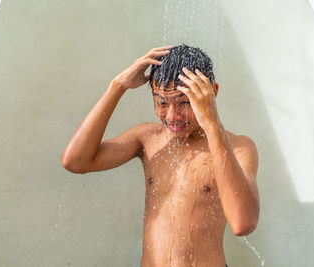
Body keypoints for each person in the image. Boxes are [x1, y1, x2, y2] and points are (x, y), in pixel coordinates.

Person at [61, 44, 260, 267]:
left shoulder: (238, 147)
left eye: (185, 102)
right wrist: (117, 86)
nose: (173, 116)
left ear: (211, 92)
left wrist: (212, 123)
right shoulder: (148, 138)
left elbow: (243, 223)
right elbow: (75, 161)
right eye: (162, 103)